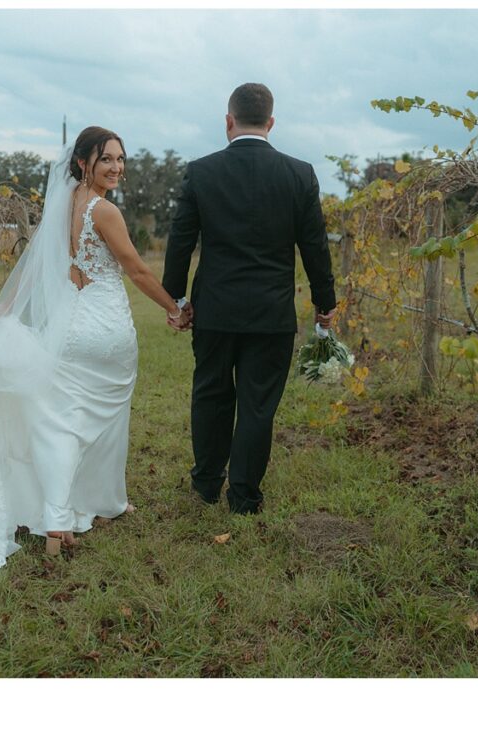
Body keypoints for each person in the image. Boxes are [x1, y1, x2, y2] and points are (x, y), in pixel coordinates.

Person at [0, 127, 186, 595]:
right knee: (102, 419)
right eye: (107, 159)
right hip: (105, 329)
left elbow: (33, 267)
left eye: (121, 159)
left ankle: (68, 516)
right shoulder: (105, 210)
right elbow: (138, 269)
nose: (116, 167)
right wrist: (174, 307)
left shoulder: (63, 204)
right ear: (83, 162)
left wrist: (5, 309)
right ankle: (95, 504)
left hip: (69, 328)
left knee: (64, 420)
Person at [162, 83, 337, 515]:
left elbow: (179, 243)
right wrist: (324, 301)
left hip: (215, 309)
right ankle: (243, 496)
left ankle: (205, 484)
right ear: (271, 123)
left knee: (210, 394)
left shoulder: (201, 172)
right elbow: (315, 246)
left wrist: (177, 299)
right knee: (258, 405)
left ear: (229, 121)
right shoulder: (300, 174)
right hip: (270, 313)